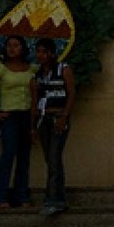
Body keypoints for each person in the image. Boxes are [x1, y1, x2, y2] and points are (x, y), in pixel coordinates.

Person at [0, 36, 37, 210]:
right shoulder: (0, 69)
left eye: (16, 45)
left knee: (24, 157)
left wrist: (33, 122)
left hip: (26, 114)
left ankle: (21, 194)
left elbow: (35, 96)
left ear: (23, 48)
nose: (12, 49)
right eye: (9, 46)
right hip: (9, 115)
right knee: (8, 153)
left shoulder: (32, 69)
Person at [32, 38, 76, 216]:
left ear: (51, 53)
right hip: (44, 117)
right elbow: (35, 99)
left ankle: (54, 199)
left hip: (58, 116)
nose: (40, 55)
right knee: (50, 160)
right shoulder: (38, 74)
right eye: (38, 52)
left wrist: (64, 116)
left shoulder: (63, 69)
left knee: (55, 157)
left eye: (44, 52)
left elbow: (72, 93)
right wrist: (33, 126)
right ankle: (58, 197)